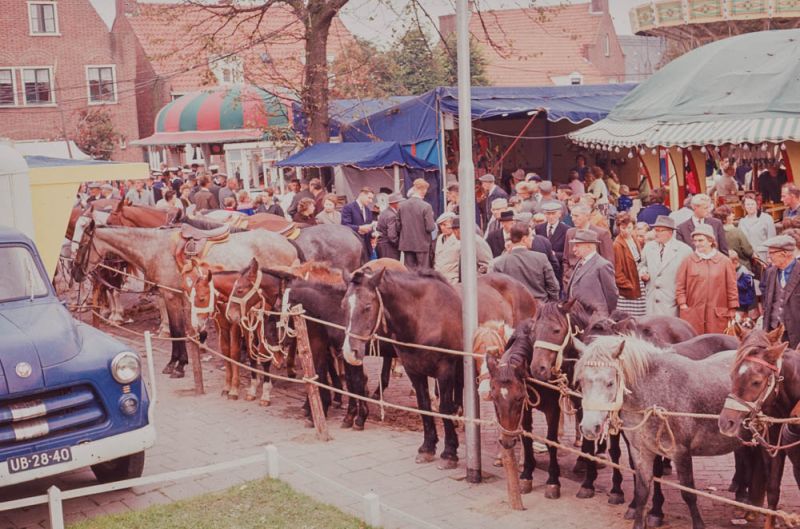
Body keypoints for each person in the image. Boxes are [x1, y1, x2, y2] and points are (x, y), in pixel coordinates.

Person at [675, 224, 738, 334]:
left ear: (710, 241)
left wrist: (732, 308)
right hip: (693, 314)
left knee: (715, 341)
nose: (697, 244)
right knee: (695, 341)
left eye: (701, 240)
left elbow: (732, 287)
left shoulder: (724, 261)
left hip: (717, 314)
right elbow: (680, 285)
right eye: (695, 241)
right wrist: (683, 304)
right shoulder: (688, 261)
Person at [490, 222, 559, 302]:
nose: (532, 238)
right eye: (531, 236)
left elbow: (496, 290)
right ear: (524, 239)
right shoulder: (541, 258)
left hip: (513, 306)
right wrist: (551, 304)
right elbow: (554, 287)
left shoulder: (500, 263)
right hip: (539, 306)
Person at [639, 215, 693, 317]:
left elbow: (689, 279)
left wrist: (682, 301)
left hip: (671, 302)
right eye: (655, 230)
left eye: (660, 230)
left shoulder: (684, 250)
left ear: (670, 232)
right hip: (652, 301)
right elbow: (642, 265)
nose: (656, 233)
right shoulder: (649, 247)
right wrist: (643, 273)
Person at [566, 229, 618, 316]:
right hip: (577, 316)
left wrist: (606, 316)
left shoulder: (602, 265)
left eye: (577, 246)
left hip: (594, 317)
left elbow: (611, 294)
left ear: (589, 247)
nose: (574, 249)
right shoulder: (579, 262)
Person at [761, 235, 800, 347]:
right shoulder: (770, 272)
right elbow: (767, 303)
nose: (769, 256)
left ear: (785, 253)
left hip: (795, 334)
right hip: (773, 331)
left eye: (772, 253)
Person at [563, 204, 614, 286]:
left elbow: (608, 260)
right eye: (572, 216)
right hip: (572, 280)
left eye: (576, 216)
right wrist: (567, 274)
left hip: (594, 282)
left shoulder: (601, 234)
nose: (573, 219)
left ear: (587, 216)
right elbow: (566, 258)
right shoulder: (570, 233)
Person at [613, 212, 647, 317]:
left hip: (639, 281)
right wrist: (629, 286)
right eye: (623, 228)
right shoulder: (617, 245)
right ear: (618, 227)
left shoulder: (634, 238)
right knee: (629, 317)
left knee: (642, 315)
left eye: (629, 228)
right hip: (629, 286)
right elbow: (617, 272)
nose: (626, 231)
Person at [398, 179, 435, 269]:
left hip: (407, 244)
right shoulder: (426, 206)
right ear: (424, 190)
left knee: (409, 271)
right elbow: (430, 227)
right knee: (423, 271)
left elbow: (398, 225)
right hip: (422, 244)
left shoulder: (402, 205)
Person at [738, 194, 776, 263]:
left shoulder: (767, 218)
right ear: (744, 206)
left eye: (752, 204)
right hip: (748, 258)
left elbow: (772, 239)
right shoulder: (742, 221)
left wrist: (770, 257)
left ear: (757, 205)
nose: (750, 206)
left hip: (763, 256)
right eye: (748, 204)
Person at [713, 205, 753, 270]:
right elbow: (748, 252)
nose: (733, 215)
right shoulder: (736, 232)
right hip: (740, 266)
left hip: (722, 267)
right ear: (724, 219)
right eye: (730, 214)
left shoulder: (714, 232)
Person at [342, 187, 375, 256]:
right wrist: (359, 228)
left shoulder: (368, 211)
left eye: (372, 199)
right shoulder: (348, 208)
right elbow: (345, 226)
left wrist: (372, 234)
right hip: (353, 247)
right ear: (362, 194)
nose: (371, 201)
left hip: (366, 248)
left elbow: (369, 226)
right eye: (369, 198)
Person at [730, 250, 757, 320]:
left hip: (744, 302)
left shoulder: (744, 272)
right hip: (739, 301)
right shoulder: (736, 270)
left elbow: (745, 286)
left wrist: (732, 282)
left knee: (739, 320)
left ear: (735, 262)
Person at [434, 212, 460, 284]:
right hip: (438, 279)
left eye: (445, 225)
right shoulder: (440, 238)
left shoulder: (458, 239)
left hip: (452, 280)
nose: (442, 227)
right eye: (441, 225)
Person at [375, 193, 401, 259]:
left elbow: (378, 228)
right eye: (400, 202)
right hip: (389, 248)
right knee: (391, 265)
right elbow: (392, 236)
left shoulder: (384, 212)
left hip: (382, 246)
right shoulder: (392, 215)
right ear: (395, 203)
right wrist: (399, 244)